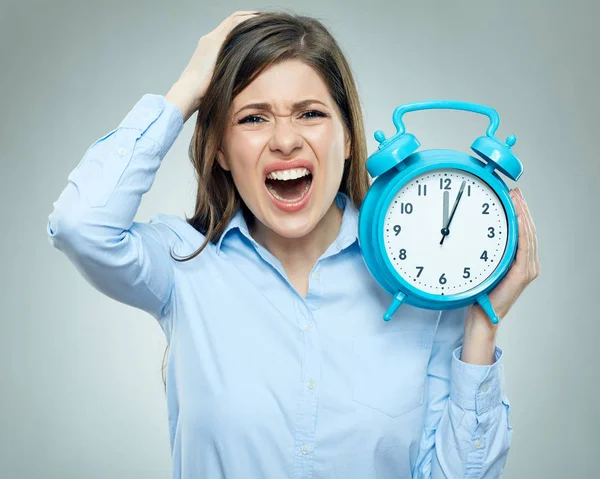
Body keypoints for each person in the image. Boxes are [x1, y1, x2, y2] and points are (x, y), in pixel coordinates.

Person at [46, 10, 540, 479]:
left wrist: (480, 330)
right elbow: (79, 224)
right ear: (218, 149)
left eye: (309, 113)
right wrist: (188, 89)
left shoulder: (423, 286)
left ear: (348, 139)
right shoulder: (183, 264)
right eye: (253, 119)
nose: (285, 140)